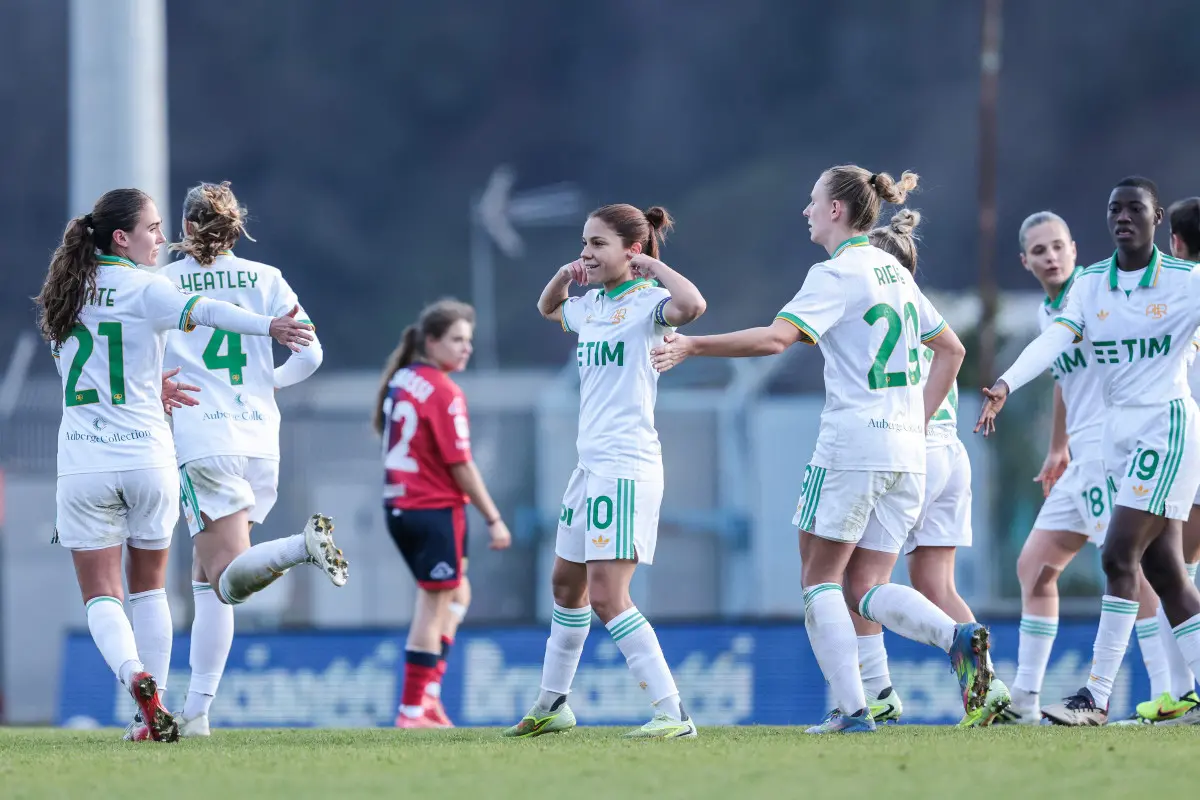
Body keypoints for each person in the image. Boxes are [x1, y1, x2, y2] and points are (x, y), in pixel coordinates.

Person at [649, 166, 985, 735]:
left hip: (853, 442)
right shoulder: (895, 273)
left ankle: (853, 711)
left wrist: (694, 345)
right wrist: (911, 421)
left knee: (819, 577)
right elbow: (951, 350)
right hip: (908, 451)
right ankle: (953, 636)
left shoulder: (838, 271)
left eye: (812, 201)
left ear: (837, 211)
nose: (806, 210)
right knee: (867, 586)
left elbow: (777, 338)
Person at [34, 188, 315, 742]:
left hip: (86, 463)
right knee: (152, 591)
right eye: (152, 228)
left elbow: (82, 374)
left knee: (102, 597)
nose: (161, 238)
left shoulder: (60, 295)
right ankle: (161, 712)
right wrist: (270, 329)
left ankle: (139, 687)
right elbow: (206, 312)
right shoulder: (148, 287)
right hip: (152, 458)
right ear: (123, 237)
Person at [977, 176, 1200, 726]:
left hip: (1164, 428)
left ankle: (1095, 697)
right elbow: (1055, 343)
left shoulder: (1186, 280)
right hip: (1113, 435)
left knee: (1117, 555)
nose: (1122, 217)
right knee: (1166, 572)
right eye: (1114, 209)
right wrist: (1005, 383)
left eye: (1135, 209)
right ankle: (1183, 696)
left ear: (1157, 221)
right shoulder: (1092, 285)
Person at [149, 182, 347, 739]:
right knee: (207, 579)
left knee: (229, 577)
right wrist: (269, 386)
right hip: (260, 438)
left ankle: (296, 547)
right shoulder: (266, 278)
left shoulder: (164, 283)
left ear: (187, 228)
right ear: (235, 228)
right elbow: (311, 354)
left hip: (204, 438)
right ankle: (197, 712)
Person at [502, 204, 707, 739]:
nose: (587, 253)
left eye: (597, 244)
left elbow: (693, 305)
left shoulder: (648, 303)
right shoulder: (591, 305)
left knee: (608, 595)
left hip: (625, 466)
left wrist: (654, 269)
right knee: (565, 585)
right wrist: (564, 276)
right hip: (589, 466)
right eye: (584, 242)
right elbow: (549, 309)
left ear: (631, 250)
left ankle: (673, 713)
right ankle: (552, 704)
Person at [843, 210, 1012, 727]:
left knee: (856, 582)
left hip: (909, 453)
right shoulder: (926, 312)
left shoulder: (876, 313)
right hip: (951, 455)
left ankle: (879, 693)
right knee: (936, 585)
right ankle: (990, 686)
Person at [373, 299, 512, 728]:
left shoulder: (404, 378)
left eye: (468, 340)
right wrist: (493, 516)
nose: (465, 348)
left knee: (457, 594)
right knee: (432, 605)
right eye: (456, 339)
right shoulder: (444, 390)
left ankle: (428, 695)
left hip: (400, 504)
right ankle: (413, 709)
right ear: (431, 342)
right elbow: (461, 465)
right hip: (431, 508)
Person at [1123, 197, 1200, 724]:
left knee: (1170, 571)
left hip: (1184, 439)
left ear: (1173, 241)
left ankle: (1180, 692)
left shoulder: (1179, 288)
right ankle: (1179, 693)